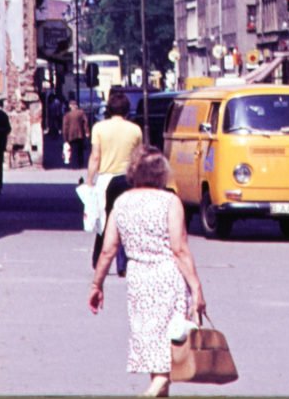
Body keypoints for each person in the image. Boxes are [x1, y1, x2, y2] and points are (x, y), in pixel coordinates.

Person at [89, 147, 207, 398]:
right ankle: (153, 391)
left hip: (139, 280)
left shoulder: (122, 202)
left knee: (155, 347)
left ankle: (159, 390)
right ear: (162, 173)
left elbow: (108, 249)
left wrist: (96, 285)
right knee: (170, 344)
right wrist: (196, 287)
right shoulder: (170, 201)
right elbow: (179, 249)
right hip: (168, 278)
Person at [89, 89, 143, 273]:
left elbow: (95, 157)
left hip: (106, 179)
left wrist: (89, 180)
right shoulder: (135, 130)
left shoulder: (99, 128)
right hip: (128, 178)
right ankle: (123, 264)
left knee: (103, 221)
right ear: (127, 110)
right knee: (126, 221)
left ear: (109, 109)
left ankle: (98, 261)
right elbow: (138, 156)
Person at [63, 95, 92, 170]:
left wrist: (65, 138)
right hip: (80, 134)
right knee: (80, 150)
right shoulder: (81, 113)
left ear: (70, 106)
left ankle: (74, 165)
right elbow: (85, 122)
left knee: (74, 150)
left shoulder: (67, 115)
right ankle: (80, 164)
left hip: (71, 135)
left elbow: (65, 127)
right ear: (76, 105)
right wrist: (87, 132)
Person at [43, 86, 67, 170]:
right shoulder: (56, 102)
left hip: (54, 117)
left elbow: (56, 111)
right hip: (54, 117)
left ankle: (54, 134)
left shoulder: (55, 103)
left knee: (54, 126)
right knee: (54, 126)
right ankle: (54, 134)